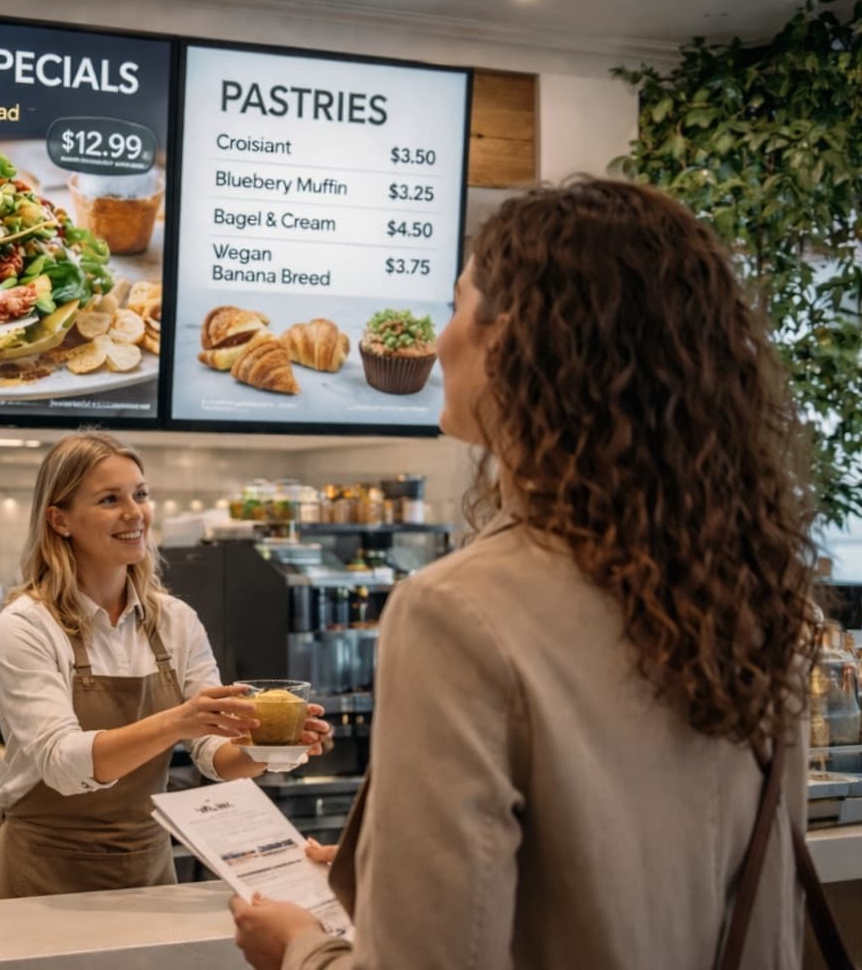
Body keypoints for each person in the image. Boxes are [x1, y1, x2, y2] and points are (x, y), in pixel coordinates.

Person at [230, 178, 824, 969]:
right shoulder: (754, 596)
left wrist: (303, 947)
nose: (438, 341)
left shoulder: (457, 612)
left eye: (455, 305)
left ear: (507, 340)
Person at [0, 431, 333, 900]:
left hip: (147, 868)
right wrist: (176, 722)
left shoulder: (174, 621)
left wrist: (273, 747)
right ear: (59, 520)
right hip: (45, 870)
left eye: (140, 494)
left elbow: (213, 752)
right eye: (110, 499)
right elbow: (63, 765)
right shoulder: (27, 625)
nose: (135, 513)